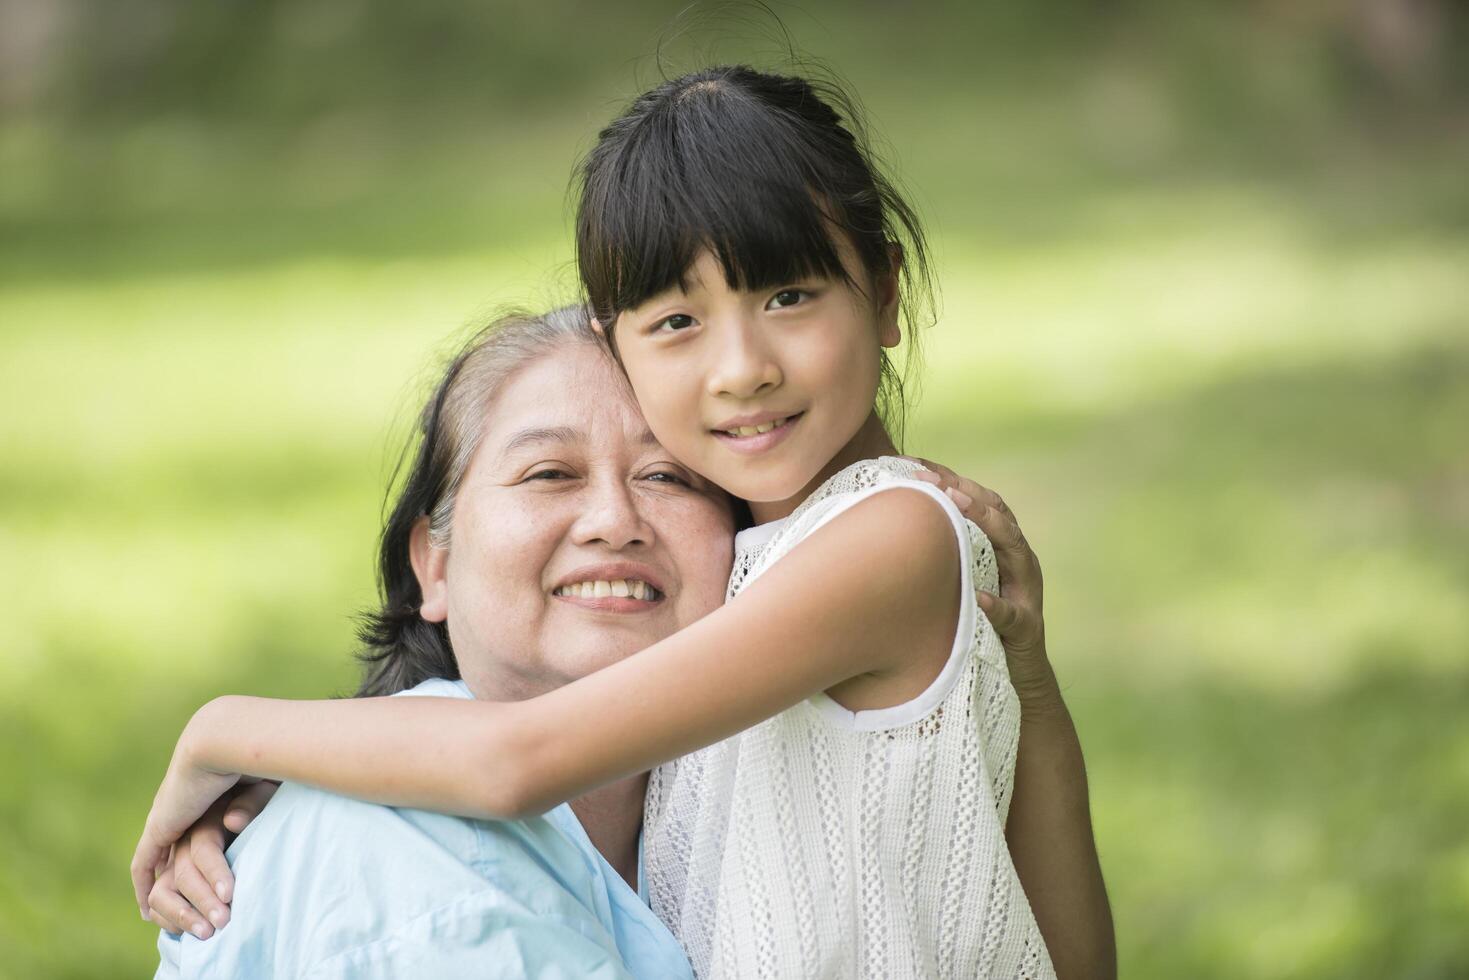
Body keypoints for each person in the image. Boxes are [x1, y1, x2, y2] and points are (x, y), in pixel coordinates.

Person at [135, 65, 1114, 979]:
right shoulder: (745, 569)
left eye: (789, 294)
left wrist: (224, 732)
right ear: (621, 344)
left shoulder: (885, 536)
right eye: (677, 321)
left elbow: (514, 761)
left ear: (887, 292)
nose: (742, 367)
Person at [151, 307, 735, 977]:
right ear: (433, 562)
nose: (613, 521)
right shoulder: (418, 858)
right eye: (548, 473)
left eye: (667, 476)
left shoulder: (719, 814)